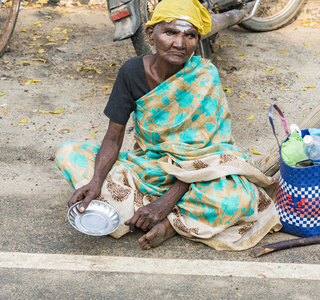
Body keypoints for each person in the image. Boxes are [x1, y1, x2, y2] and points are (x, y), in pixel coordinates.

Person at [55, 0, 281, 251]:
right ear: (151, 35)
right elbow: (113, 137)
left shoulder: (205, 76)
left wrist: (164, 204)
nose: (179, 43)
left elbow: (212, 154)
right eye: (170, 32)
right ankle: (169, 214)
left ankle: (169, 225)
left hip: (197, 174)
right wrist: (96, 181)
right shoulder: (131, 72)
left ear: (197, 40)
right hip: (148, 168)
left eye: (190, 35)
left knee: (237, 199)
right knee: (69, 154)